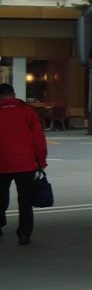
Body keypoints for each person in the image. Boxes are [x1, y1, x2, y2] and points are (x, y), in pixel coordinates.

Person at [0, 82, 49, 245]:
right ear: (13, 94)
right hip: (26, 164)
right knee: (25, 201)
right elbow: (39, 139)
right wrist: (41, 161)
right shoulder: (27, 111)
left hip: (2, 163)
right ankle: (24, 234)